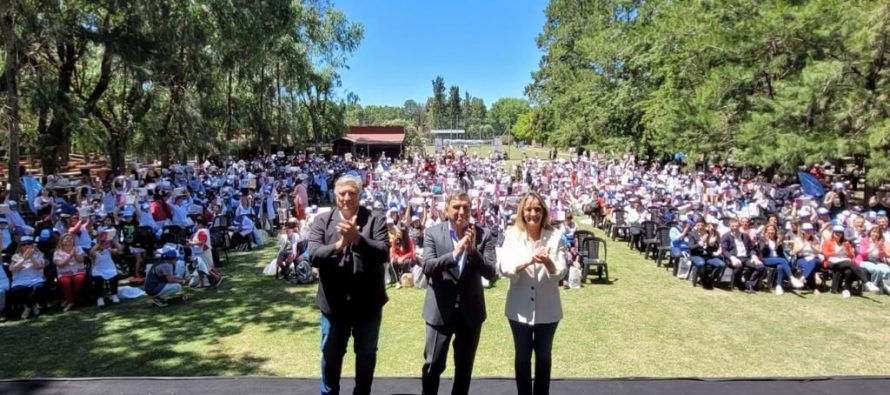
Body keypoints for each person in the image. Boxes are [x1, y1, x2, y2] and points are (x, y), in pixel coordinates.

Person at [308, 175, 389, 395]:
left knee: (366, 354)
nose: (347, 198)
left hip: (368, 304)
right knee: (331, 354)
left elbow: (383, 253)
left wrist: (358, 239)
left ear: (360, 195)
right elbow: (314, 256)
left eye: (352, 193)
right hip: (333, 306)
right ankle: (329, 392)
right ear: (335, 195)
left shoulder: (375, 219)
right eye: (342, 193)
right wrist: (339, 244)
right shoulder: (322, 222)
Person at [421, 191, 497, 395]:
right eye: (456, 207)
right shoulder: (433, 233)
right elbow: (427, 267)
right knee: (433, 365)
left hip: (470, 313)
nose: (461, 211)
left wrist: (473, 252)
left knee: (464, 369)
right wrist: (454, 254)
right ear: (446, 210)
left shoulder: (483, 235)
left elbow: (491, 273)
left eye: (466, 207)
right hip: (440, 311)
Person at [497, 192, 567, 395]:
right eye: (529, 209)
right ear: (522, 212)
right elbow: (504, 267)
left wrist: (548, 262)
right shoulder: (512, 235)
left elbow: (560, 271)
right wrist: (528, 261)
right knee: (522, 357)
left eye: (538, 209)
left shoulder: (555, 236)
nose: (533, 213)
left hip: (548, 309)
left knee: (544, 357)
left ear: (544, 211)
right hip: (519, 309)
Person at [822, 225, 878, 298]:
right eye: (836, 233)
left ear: (842, 234)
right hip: (832, 261)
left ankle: (846, 290)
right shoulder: (828, 242)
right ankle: (867, 282)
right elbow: (825, 254)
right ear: (833, 233)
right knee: (849, 264)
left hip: (844, 261)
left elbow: (851, 255)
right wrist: (837, 252)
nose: (838, 235)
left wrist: (847, 251)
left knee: (848, 271)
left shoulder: (846, 242)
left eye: (840, 233)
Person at [757, 224, 804, 295]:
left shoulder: (777, 240)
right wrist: (766, 243)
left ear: (775, 231)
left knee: (780, 266)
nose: (770, 231)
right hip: (765, 259)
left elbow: (781, 253)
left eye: (772, 230)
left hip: (777, 259)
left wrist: (778, 245)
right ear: (766, 231)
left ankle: (779, 286)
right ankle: (792, 278)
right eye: (769, 230)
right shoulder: (762, 239)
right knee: (782, 260)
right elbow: (761, 252)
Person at [721, 219, 764, 292]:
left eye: (736, 226)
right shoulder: (725, 236)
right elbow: (724, 250)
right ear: (729, 226)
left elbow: (751, 248)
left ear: (739, 226)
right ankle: (738, 284)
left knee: (760, 266)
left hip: (745, 258)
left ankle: (749, 284)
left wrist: (754, 256)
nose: (735, 228)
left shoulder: (745, 236)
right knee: (739, 266)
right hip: (733, 258)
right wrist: (732, 258)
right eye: (733, 226)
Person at [9, 236, 46, 319]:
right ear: (20, 246)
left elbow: (39, 267)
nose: (27, 246)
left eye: (29, 244)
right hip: (20, 281)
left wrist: (31, 257)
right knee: (18, 290)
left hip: (35, 279)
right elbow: (12, 269)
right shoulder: (16, 256)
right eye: (24, 244)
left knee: (40, 287)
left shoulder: (38, 255)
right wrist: (23, 259)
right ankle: (33, 305)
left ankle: (27, 307)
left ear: (32, 245)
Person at [90, 229, 123, 307]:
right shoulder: (95, 252)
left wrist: (113, 241)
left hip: (110, 269)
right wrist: (99, 243)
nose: (103, 244)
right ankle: (100, 298)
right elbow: (91, 253)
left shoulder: (108, 250)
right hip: (98, 270)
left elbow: (120, 250)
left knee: (114, 276)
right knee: (98, 279)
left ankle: (114, 294)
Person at [53, 234, 86, 312]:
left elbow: (81, 260)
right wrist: (70, 256)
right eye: (66, 238)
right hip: (64, 272)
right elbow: (60, 265)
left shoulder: (78, 249)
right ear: (62, 241)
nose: (69, 239)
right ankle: (71, 302)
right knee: (65, 282)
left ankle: (70, 299)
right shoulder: (57, 252)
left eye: (71, 238)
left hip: (78, 270)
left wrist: (75, 254)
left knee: (79, 279)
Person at [854, 227, 890, 294]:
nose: (875, 234)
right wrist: (872, 247)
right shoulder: (864, 240)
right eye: (874, 232)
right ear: (870, 232)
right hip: (865, 260)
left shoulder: (880, 242)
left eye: (877, 233)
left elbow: (882, 255)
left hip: (876, 260)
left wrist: (880, 248)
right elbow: (862, 253)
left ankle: (885, 286)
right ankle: (874, 286)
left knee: (887, 270)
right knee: (876, 270)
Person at [791, 223, 823, 293]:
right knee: (810, 265)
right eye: (807, 230)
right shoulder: (797, 239)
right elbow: (794, 252)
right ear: (803, 231)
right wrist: (803, 246)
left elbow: (818, 252)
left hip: (814, 258)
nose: (809, 232)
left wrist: (812, 246)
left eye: (810, 230)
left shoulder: (815, 239)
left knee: (813, 261)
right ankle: (815, 288)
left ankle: (802, 278)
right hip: (802, 258)